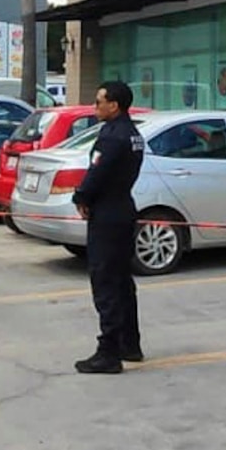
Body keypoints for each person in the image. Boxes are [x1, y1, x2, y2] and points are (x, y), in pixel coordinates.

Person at [71, 80, 145, 374]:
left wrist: (82, 196)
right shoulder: (131, 133)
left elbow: (97, 171)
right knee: (122, 282)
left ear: (113, 105)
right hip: (123, 208)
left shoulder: (113, 136)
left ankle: (109, 352)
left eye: (99, 101)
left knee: (106, 283)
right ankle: (130, 343)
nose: (95, 105)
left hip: (108, 214)